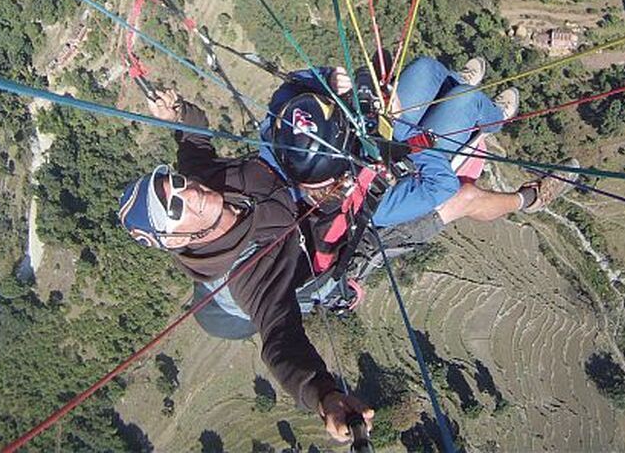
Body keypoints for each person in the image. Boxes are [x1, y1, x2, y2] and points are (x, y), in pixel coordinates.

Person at [118, 94, 373, 444]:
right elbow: (279, 338)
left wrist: (178, 111)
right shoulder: (246, 271)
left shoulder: (204, 182)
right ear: (176, 240)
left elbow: (192, 140)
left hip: (291, 189)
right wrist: (324, 396)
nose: (188, 192)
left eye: (175, 183)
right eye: (175, 210)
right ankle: (333, 296)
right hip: (236, 304)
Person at [261, 55, 575, 234]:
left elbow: (288, 91)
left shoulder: (280, 141)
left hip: (384, 130)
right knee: (463, 102)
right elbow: (440, 186)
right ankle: (494, 117)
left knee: (425, 68)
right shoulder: (369, 206)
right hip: (415, 159)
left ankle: (458, 82)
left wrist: (328, 81)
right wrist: (401, 134)